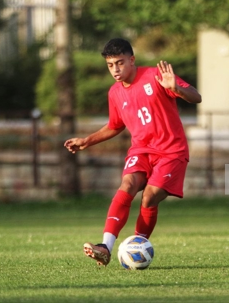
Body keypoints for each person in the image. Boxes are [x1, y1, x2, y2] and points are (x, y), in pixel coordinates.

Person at [64, 38, 201, 266]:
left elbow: (197, 97)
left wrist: (175, 88)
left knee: (149, 197)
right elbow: (115, 125)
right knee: (127, 185)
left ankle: (139, 244)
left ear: (132, 60)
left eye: (120, 63)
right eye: (110, 65)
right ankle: (105, 247)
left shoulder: (156, 76)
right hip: (141, 150)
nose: (115, 70)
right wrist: (87, 141)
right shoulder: (115, 93)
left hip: (171, 152)